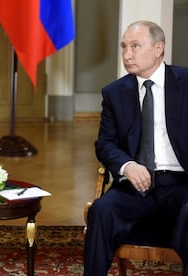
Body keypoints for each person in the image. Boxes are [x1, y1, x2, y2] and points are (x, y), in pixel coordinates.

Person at [84, 20, 188, 275]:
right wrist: (127, 166)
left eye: (135, 46)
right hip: (135, 187)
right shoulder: (114, 92)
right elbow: (105, 143)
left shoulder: (185, 83)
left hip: (181, 185)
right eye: (123, 47)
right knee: (101, 210)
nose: (127, 54)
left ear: (158, 48)